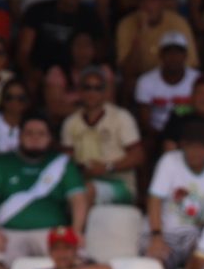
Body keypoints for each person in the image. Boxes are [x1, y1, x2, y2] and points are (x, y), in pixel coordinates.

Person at [0, 114, 91, 269]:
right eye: (29, 133)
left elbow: (78, 198)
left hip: (53, 232)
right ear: (20, 136)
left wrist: (77, 231)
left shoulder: (62, 163)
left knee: (79, 262)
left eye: (41, 134)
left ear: (50, 138)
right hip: (8, 232)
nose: (35, 138)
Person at [17, 0, 105, 114]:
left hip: (76, 73)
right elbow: (23, 51)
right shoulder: (37, 10)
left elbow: (99, 52)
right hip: (42, 71)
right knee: (28, 83)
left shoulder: (90, 16)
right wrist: (31, 72)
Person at [146, 120, 204, 267]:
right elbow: (154, 199)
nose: (195, 152)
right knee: (155, 263)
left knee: (202, 259)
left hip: (199, 237)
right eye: (190, 146)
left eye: (201, 147)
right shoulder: (169, 161)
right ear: (183, 146)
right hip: (167, 235)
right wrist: (157, 235)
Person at [61, 70, 146, 206]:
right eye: (87, 87)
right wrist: (82, 170)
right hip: (83, 181)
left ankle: (78, 228)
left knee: (85, 191)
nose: (92, 92)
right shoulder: (70, 122)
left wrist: (107, 167)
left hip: (121, 185)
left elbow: (138, 156)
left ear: (105, 92)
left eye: (97, 88)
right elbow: (65, 161)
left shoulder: (121, 117)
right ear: (79, 91)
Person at [113, 0, 194, 93]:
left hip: (173, 78)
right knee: (129, 83)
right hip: (140, 81)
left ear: (163, 2)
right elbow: (127, 71)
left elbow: (191, 64)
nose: (147, 5)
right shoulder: (126, 24)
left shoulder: (178, 22)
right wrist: (141, 33)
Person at [131, 32, 200, 137]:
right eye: (169, 52)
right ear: (161, 55)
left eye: (178, 52)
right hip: (156, 134)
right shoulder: (146, 81)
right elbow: (145, 122)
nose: (173, 57)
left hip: (190, 134)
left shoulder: (197, 79)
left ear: (185, 55)